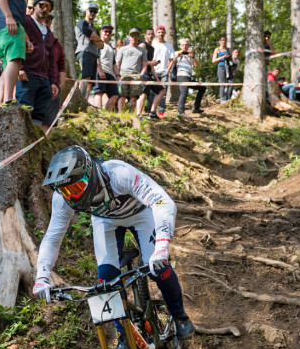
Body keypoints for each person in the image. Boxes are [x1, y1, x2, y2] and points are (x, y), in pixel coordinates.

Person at [32, 145, 195, 339]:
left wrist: (161, 245)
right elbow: (52, 237)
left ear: (90, 173)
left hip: (141, 214)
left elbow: (162, 201)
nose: (72, 196)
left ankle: (179, 316)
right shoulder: (62, 198)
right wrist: (42, 276)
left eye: (76, 188)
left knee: (159, 269)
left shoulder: (118, 173)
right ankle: (125, 336)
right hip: (105, 221)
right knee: (107, 283)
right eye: (66, 191)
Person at [15, 0, 60, 127]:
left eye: (48, 7)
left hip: (44, 79)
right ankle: (22, 143)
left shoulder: (49, 32)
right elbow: (17, 43)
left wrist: (53, 82)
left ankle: (33, 144)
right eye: (42, 5)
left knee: (39, 115)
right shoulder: (25, 22)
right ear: (34, 6)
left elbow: (51, 61)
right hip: (27, 75)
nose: (44, 9)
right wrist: (20, 68)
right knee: (24, 111)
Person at [75, 2, 107, 100]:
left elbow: (101, 45)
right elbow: (88, 33)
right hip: (84, 52)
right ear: (86, 11)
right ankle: (80, 100)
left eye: (95, 11)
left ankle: (84, 101)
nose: (93, 13)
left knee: (90, 82)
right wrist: (95, 38)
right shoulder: (82, 22)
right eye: (91, 11)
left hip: (93, 54)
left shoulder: (95, 28)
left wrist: (94, 37)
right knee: (85, 77)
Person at [169, 38, 205, 115]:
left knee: (202, 88)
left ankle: (196, 107)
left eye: (186, 45)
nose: (184, 46)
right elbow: (170, 64)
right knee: (184, 92)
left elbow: (198, 65)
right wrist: (177, 56)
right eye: (183, 45)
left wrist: (193, 57)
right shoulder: (176, 53)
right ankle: (180, 112)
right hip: (181, 75)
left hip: (188, 76)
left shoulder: (190, 54)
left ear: (189, 46)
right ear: (180, 46)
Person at [115, 28, 146, 114]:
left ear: (139, 36)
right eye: (132, 35)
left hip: (136, 75)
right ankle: (120, 115)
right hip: (123, 75)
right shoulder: (122, 49)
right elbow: (117, 62)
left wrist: (142, 73)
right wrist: (118, 75)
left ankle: (131, 115)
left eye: (136, 35)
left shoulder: (142, 50)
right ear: (129, 37)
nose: (134, 37)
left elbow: (144, 64)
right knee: (122, 96)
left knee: (134, 97)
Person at [44, 13, 67, 122]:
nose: (45, 24)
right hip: (36, 82)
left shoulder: (56, 43)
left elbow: (61, 64)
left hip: (54, 85)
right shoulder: (30, 38)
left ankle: (46, 139)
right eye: (43, 21)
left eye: (48, 21)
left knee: (50, 121)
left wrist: (61, 84)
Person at [150, 25, 175, 118]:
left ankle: (161, 111)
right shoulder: (152, 44)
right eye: (159, 32)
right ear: (156, 33)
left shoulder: (168, 45)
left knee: (163, 91)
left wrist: (167, 70)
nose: (160, 34)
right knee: (152, 92)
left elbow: (172, 58)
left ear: (165, 33)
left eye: (162, 32)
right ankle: (150, 110)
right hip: (153, 71)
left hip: (164, 71)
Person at [94, 24, 118, 110]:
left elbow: (114, 63)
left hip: (110, 73)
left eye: (110, 32)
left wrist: (118, 75)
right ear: (101, 31)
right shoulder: (97, 43)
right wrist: (99, 70)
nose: (107, 33)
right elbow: (95, 57)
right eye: (106, 31)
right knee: (99, 92)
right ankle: (98, 113)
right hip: (100, 70)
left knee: (115, 95)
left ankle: (106, 113)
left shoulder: (111, 47)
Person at [139, 27, 161, 118]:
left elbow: (151, 67)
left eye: (152, 34)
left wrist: (157, 79)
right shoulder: (142, 45)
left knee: (162, 90)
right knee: (143, 94)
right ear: (145, 36)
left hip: (149, 73)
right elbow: (139, 60)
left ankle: (152, 112)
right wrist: (151, 62)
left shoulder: (152, 48)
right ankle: (138, 114)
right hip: (142, 73)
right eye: (149, 34)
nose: (151, 36)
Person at [212, 35, 233, 102]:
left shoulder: (228, 49)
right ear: (219, 41)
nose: (224, 42)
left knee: (231, 83)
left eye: (225, 40)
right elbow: (213, 60)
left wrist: (229, 58)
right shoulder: (217, 49)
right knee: (222, 83)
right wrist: (222, 57)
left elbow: (231, 59)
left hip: (228, 67)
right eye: (222, 40)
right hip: (221, 67)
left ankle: (228, 98)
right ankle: (222, 99)